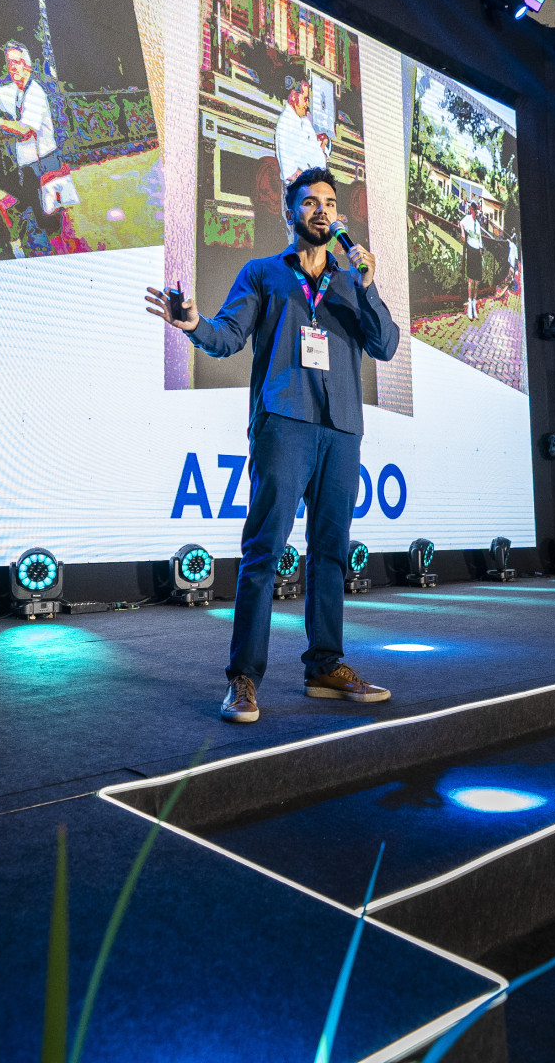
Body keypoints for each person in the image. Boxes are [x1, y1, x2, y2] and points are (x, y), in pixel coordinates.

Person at [144, 167, 400, 724]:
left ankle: (326, 669)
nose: (322, 211)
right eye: (309, 202)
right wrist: (191, 323)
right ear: (289, 214)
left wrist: (369, 282)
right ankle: (243, 679)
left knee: (330, 552)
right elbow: (227, 337)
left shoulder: (350, 281)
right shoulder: (263, 274)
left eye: (330, 203)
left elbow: (384, 344)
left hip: (342, 429)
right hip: (283, 424)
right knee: (265, 551)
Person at [0, 41, 73, 254]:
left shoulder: (35, 92)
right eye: (10, 63)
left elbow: (25, 130)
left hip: (46, 163)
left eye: (19, 63)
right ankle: (30, 248)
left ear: (28, 66)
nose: (14, 68)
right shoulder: (16, 89)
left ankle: (62, 254)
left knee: (52, 222)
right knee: (24, 210)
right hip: (28, 167)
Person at [273, 76, 330, 185]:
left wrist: (322, 145)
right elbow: (291, 174)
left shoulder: (304, 121)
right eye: (305, 99)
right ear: (294, 96)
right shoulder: (286, 124)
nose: (307, 105)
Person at [460, 200, 486, 320]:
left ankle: (474, 305)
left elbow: (480, 240)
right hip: (470, 249)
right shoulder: (467, 219)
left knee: (477, 281)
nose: (475, 210)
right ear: (471, 209)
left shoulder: (478, 224)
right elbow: (460, 223)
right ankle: (470, 305)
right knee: (471, 279)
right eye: (473, 208)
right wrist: (462, 233)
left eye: (476, 208)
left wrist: (481, 253)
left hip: (477, 252)